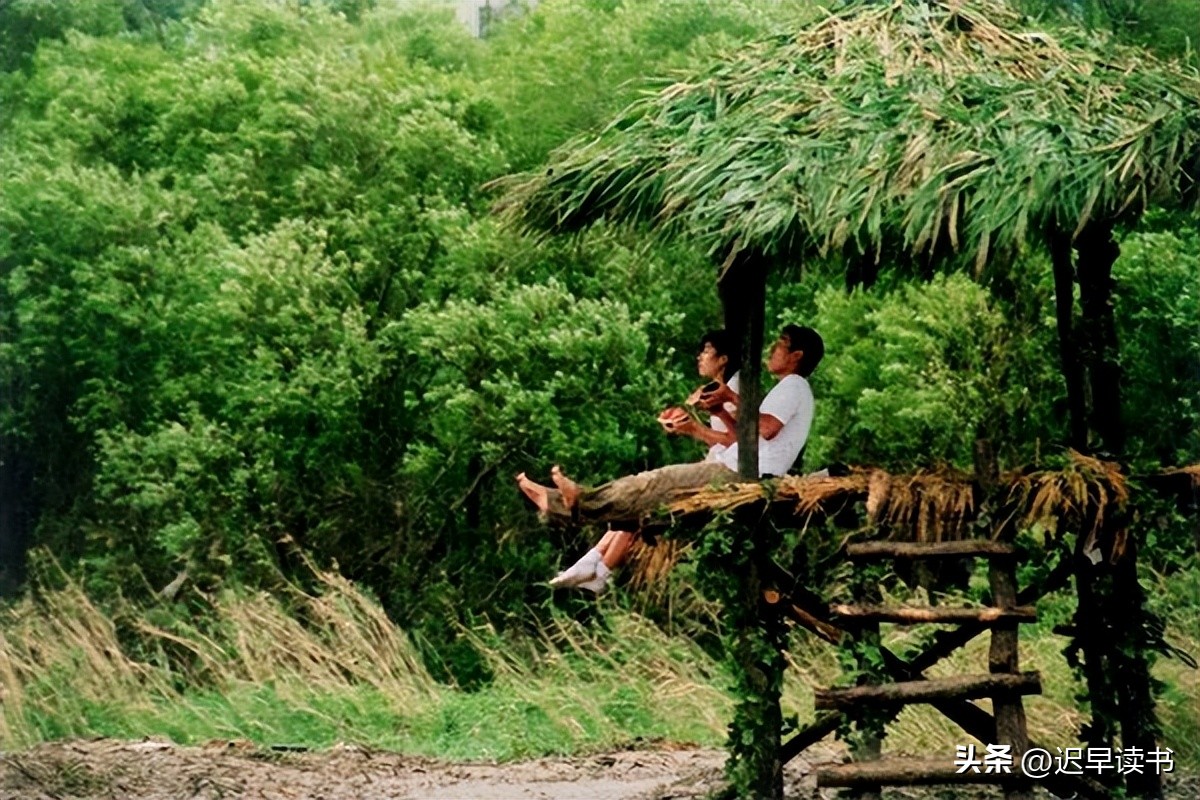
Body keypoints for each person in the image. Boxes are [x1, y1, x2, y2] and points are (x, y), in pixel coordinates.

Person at [518, 325, 823, 592]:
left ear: (796, 355)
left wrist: (728, 400)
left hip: (740, 472)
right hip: (741, 466)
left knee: (654, 482)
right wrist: (719, 411)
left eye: (781, 343)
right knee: (648, 502)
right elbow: (747, 435)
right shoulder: (789, 388)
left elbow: (765, 429)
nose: (772, 349)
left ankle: (575, 503)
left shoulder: (794, 385)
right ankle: (570, 517)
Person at [545, 330, 742, 593]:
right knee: (641, 503)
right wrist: (685, 426)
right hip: (717, 464)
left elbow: (741, 441)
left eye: (706, 351)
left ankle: (580, 509)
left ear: (723, 359)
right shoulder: (717, 390)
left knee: (647, 490)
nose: (699, 357)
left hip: (726, 472)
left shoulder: (737, 389)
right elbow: (724, 439)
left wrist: (695, 429)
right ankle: (595, 565)